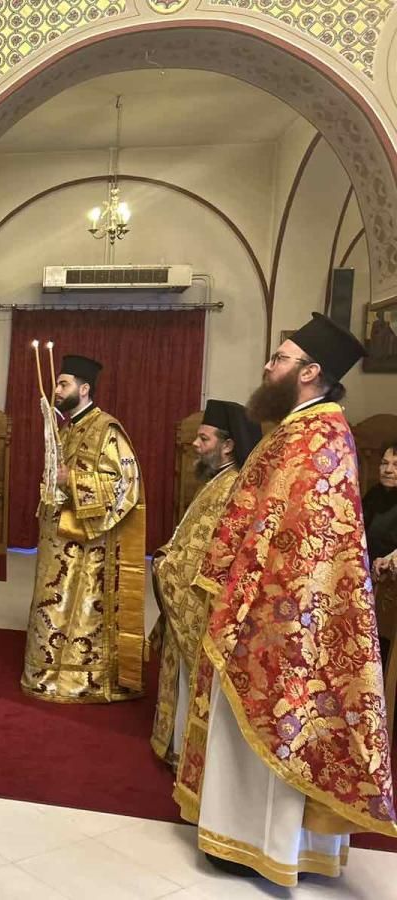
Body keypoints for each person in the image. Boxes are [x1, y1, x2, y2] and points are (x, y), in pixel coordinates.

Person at [174, 313, 397, 883]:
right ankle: (237, 835)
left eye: (279, 358)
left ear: (310, 371)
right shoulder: (298, 427)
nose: (267, 366)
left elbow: (302, 536)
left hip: (284, 615)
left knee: (276, 723)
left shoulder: (319, 436)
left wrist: (246, 589)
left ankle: (258, 844)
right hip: (262, 599)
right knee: (244, 724)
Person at [21, 353, 145, 703]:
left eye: (63, 384)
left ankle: (76, 678)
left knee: (75, 611)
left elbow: (127, 483)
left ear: (85, 388)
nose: (57, 391)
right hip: (56, 539)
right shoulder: (67, 427)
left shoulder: (107, 429)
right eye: (57, 384)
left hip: (85, 548)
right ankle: (46, 670)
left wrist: (72, 479)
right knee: (51, 607)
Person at [149, 400, 260, 766]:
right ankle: (177, 746)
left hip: (201, 599)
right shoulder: (219, 480)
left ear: (227, 445)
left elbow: (206, 554)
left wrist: (166, 567)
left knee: (193, 679)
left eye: (204, 438)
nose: (195, 445)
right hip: (191, 590)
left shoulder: (230, 486)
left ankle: (185, 752)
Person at [365, 443, 397, 655]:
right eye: (384, 463)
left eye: (396, 465)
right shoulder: (373, 494)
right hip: (367, 575)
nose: (388, 470)